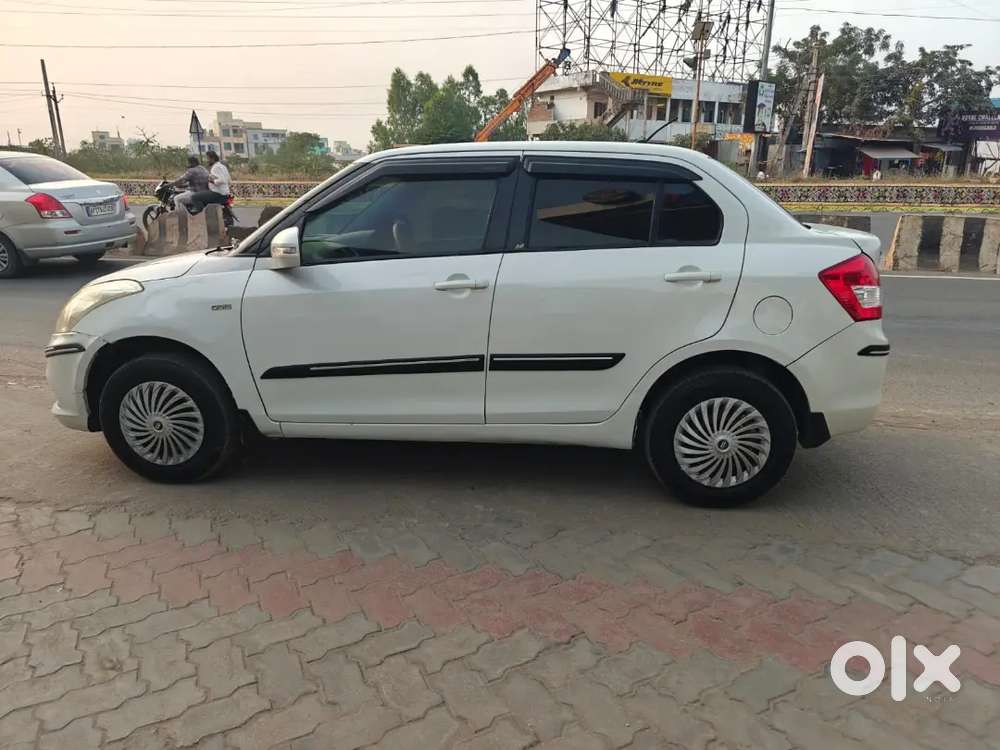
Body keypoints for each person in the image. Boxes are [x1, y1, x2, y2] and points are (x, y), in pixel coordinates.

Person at [189, 150, 231, 214]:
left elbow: (222, 180)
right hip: (224, 193)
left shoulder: (216, 167)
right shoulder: (222, 166)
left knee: (194, 197)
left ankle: (201, 216)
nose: (207, 160)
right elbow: (228, 179)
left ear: (212, 158)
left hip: (218, 193)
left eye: (207, 158)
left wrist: (213, 181)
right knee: (203, 196)